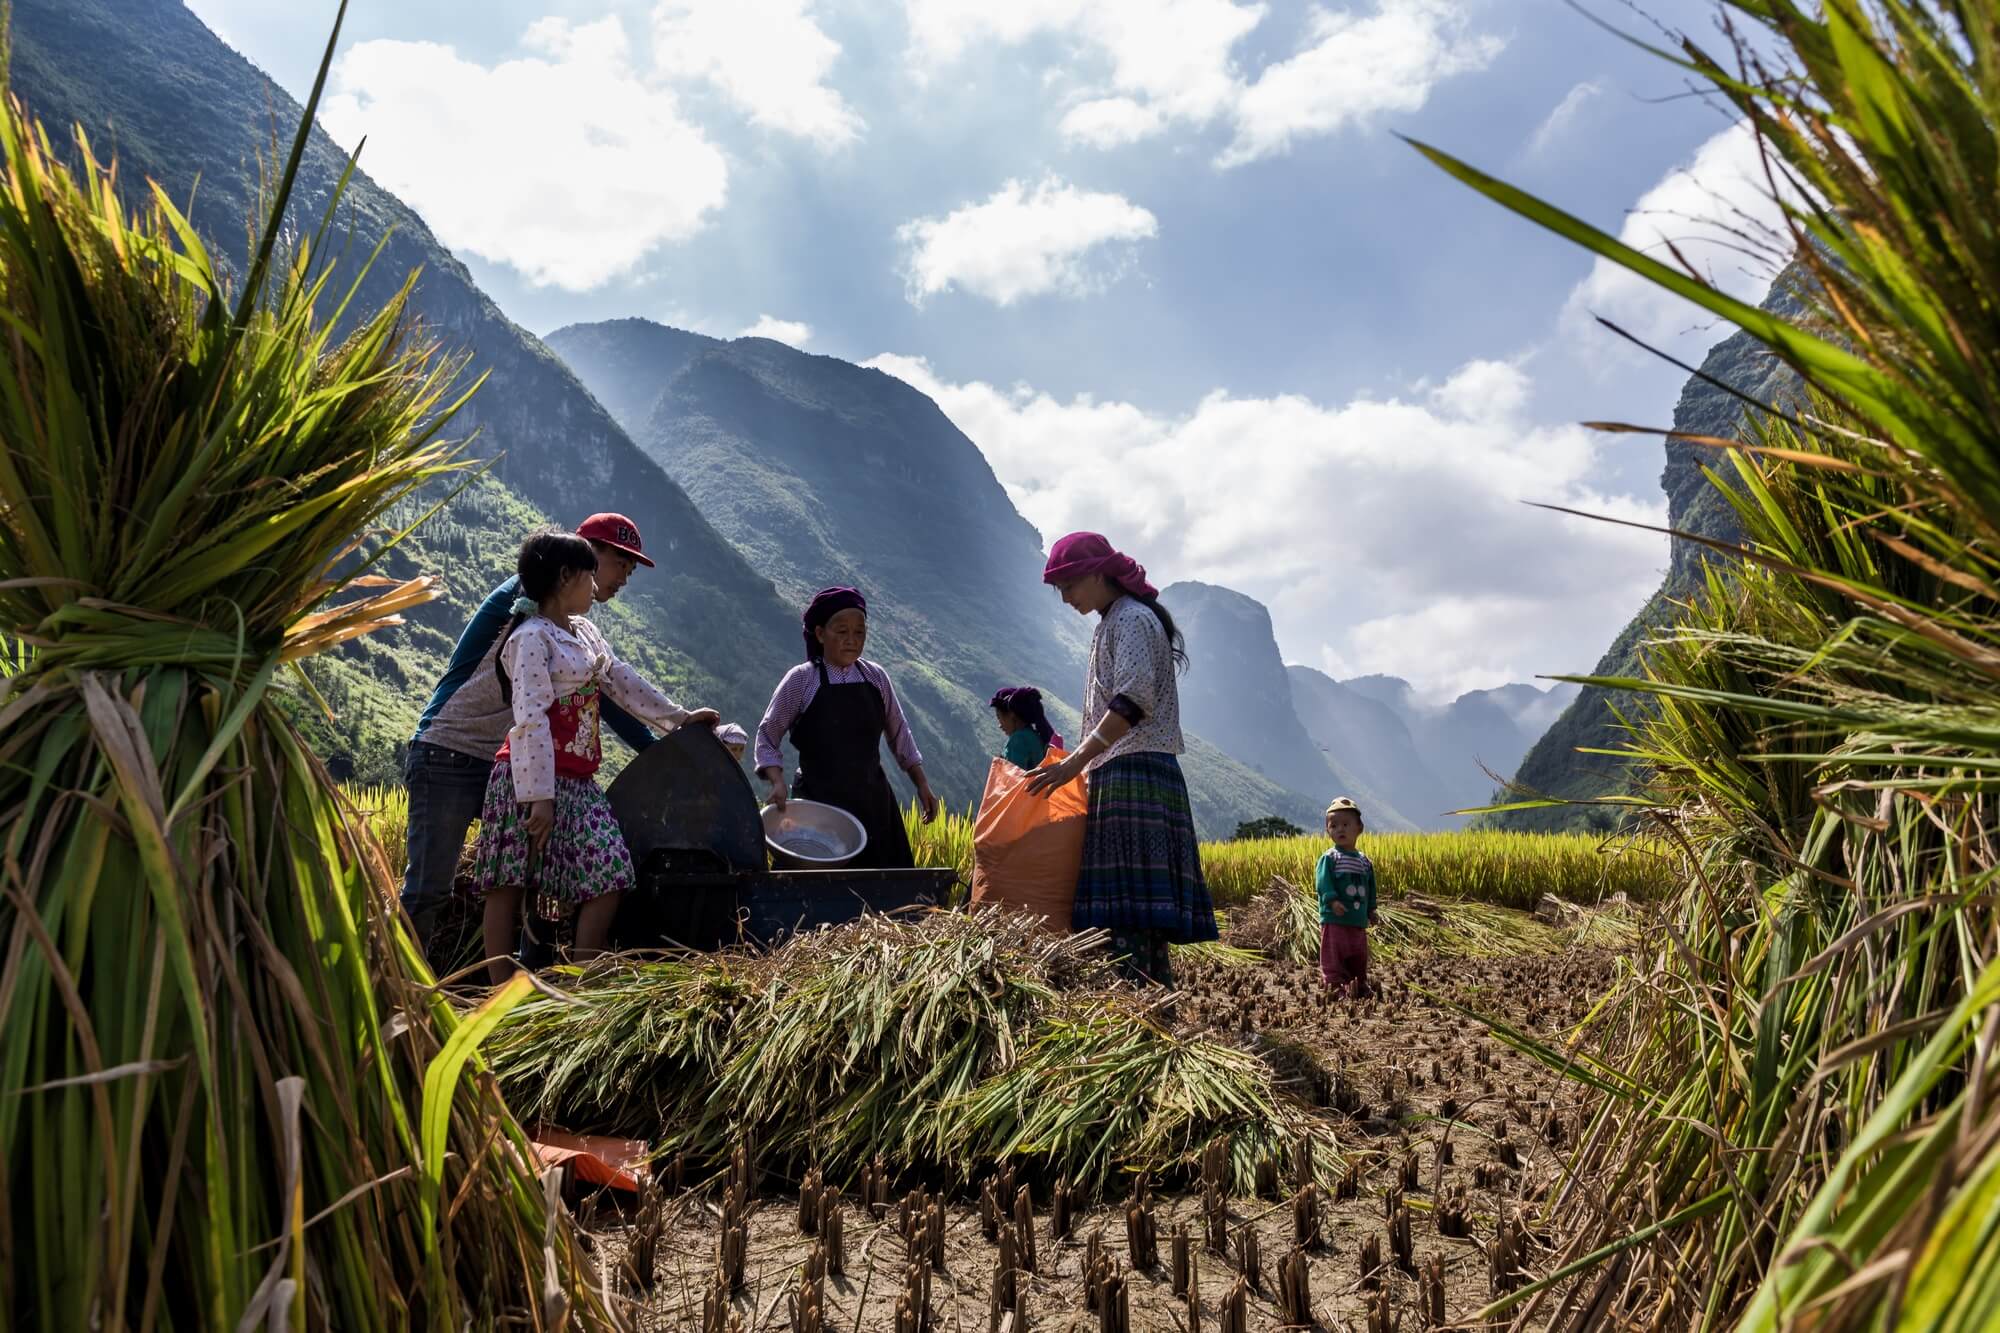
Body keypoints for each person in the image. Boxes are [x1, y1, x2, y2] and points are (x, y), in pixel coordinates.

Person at [400, 512, 660, 953]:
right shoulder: (532, 602)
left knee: (534, 873)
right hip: (452, 752)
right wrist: (657, 749)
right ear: (580, 558)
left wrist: (660, 745)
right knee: (430, 889)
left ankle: (519, 984)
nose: (622, 580)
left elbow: (599, 690)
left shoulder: (572, 622)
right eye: (620, 564)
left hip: (514, 763)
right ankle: (391, 993)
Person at [470, 531, 719, 982]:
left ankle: (584, 980)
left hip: (579, 782)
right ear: (565, 577)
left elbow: (622, 682)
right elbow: (529, 720)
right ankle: (498, 996)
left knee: (610, 872)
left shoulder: (583, 632)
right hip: (527, 778)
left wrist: (679, 719)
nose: (596, 586)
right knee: (508, 883)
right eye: (588, 576)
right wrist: (539, 796)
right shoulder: (530, 639)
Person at [1026, 533, 1217, 984]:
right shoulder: (1113, 620)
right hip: (1125, 769)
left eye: (1069, 586)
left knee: (1128, 908)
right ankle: (1152, 1003)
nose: (1066, 597)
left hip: (1135, 769)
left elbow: (1133, 700)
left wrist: (1075, 762)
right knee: (1133, 910)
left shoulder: (1130, 619)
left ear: (1097, 574)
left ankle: (1139, 1007)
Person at [754, 587, 941, 868]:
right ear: (820, 634)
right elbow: (768, 735)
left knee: (884, 893)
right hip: (818, 807)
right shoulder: (802, 680)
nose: (852, 641)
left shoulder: (876, 678)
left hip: (874, 804)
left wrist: (922, 783)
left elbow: (899, 733)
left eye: (859, 632)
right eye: (842, 632)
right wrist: (777, 780)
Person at [1316, 797, 1377, 997]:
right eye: (1334, 825)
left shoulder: (1364, 861)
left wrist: (1371, 909)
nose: (1339, 829)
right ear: (1328, 830)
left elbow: (1370, 887)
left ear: (1359, 828)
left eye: (1345, 824)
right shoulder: (1330, 858)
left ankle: (1357, 984)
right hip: (1335, 919)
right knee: (1334, 955)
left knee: (1358, 955)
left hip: (1357, 919)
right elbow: (1323, 882)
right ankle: (1334, 986)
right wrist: (1332, 900)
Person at [990, 686, 1064, 769]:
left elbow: (1014, 777)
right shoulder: (1034, 736)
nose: (999, 725)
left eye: (999, 718)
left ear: (1011, 714)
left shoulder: (1019, 739)